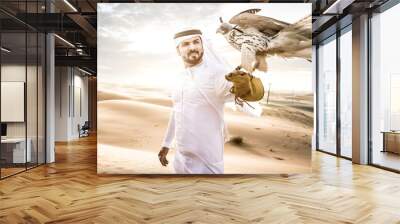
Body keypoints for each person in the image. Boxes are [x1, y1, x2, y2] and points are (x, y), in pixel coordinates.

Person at [158, 28, 259, 174]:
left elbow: (238, 91)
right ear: (178, 51)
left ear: (202, 44)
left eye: (196, 42)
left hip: (207, 162)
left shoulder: (218, 73)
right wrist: (166, 143)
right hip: (181, 157)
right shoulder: (178, 78)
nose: (192, 47)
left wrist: (244, 85)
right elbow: (176, 111)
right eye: (185, 44)